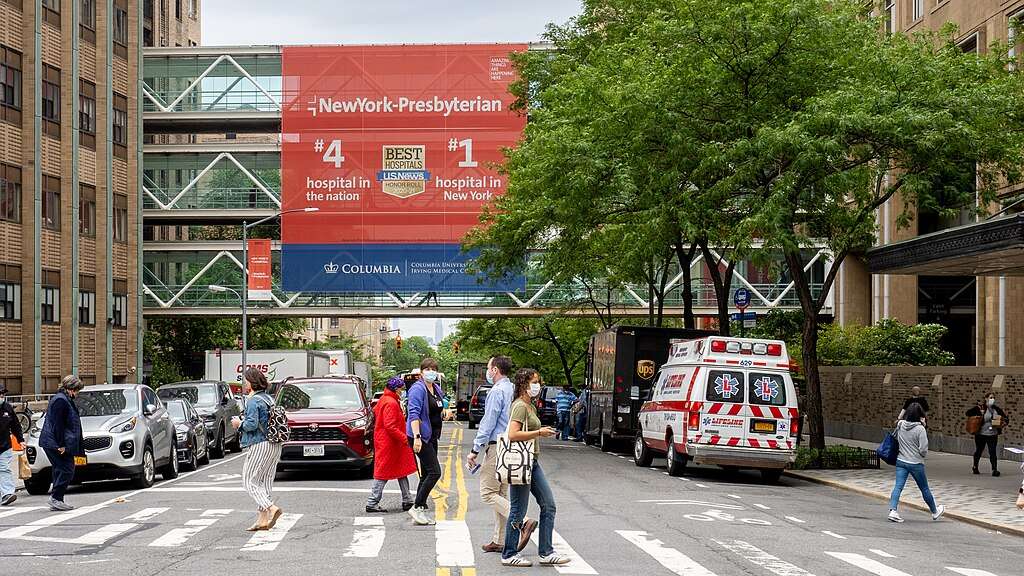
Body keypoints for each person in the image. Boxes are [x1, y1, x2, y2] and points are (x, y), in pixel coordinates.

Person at [467, 356, 537, 554]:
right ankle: (499, 540)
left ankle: (524, 522)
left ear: (495, 370)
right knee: (500, 494)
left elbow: (488, 422)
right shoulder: (513, 390)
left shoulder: (496, 391)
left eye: (489, 368)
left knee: (488, 493)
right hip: (511, 446)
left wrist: (475, 450)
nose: (488, 372)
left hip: (497, 446)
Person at [501, 368, 570, 567]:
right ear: (523, 384)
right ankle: (509, 553)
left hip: (533, 462)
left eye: (538, 382)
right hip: (521, 463)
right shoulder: (520, 406)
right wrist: (539, 432)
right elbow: (512, 434)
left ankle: (546, 552)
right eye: (534, 382)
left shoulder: (530, 406)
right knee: (518, 510)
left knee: (548, 504)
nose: (537, 386)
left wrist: (540, 432)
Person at [232, 367, 283, 531]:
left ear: (251, 382)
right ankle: (262, 520)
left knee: (249, 481)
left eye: (246, 380)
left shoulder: (253, 400)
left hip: (260, 444)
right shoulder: (269, 398)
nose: (244, 383)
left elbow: (252, 424)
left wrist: (239, 424)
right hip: (275, 444)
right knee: (265, 481)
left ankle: (271, 508)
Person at [366, 377, 416, 513]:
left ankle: (407, 499)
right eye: (401, 388)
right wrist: (405, 439)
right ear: (396, 388)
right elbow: (390, 426)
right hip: (390, 443)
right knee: (383, 473)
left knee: (400, 470)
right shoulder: (391, 403)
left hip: (387, 442)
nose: (403, 391)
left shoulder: (384, 400)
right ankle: (372, 502)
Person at [887, 403, 944, 523]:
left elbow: (896, 437)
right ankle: (934, 511)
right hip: (915, 463)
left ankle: (893, 510)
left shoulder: (900, 424)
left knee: (898, 486)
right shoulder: (920, 429)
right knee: (924, 488)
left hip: (901, 460)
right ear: (921, 415)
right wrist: (923, 425)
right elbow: (923, 449)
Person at [406, 358, 445, 525]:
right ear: (421, 372)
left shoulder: (435, 388)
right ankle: (416, 507)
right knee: (435, 472)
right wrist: (416, 437)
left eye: (434, 369)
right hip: (420, 436)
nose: (431, 372)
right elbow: (413, 414)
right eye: (428, 369)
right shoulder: (418, 389)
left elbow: (438, 406)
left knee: (427, 473)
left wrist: (444, 412)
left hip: (432, 435)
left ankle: (420, 508)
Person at [39, 375, 85, 511]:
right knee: (67, 469)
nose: (77, 394)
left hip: (54, 442)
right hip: (55, 443)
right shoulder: (61, 401)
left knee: (60, 469)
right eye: (77, 390)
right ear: (71, 389)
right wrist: (61, 445)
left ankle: (57, 498)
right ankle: (56, 497)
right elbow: (58, 425)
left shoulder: (63, 399)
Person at [966, 394, 1009, 477]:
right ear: (986, 399)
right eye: (990, 398)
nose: (992, 399)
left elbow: (1005, 418)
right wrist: (979, 413)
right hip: (981, 434)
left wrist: (1004, 422)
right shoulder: (980, 408)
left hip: (993, 434)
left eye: (993, 398)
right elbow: (968, 413)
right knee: (979, 450)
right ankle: (975, 466)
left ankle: (994, 469)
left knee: (992, 452)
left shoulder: (996, 409)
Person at [0, 384, 25, 506]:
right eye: (0, 394)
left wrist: (20, 440)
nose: (1, 396)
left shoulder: (7, 408)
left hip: (5, 446)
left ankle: (7, 494)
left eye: (2, 394)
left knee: (4, 469)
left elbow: (15, 425)